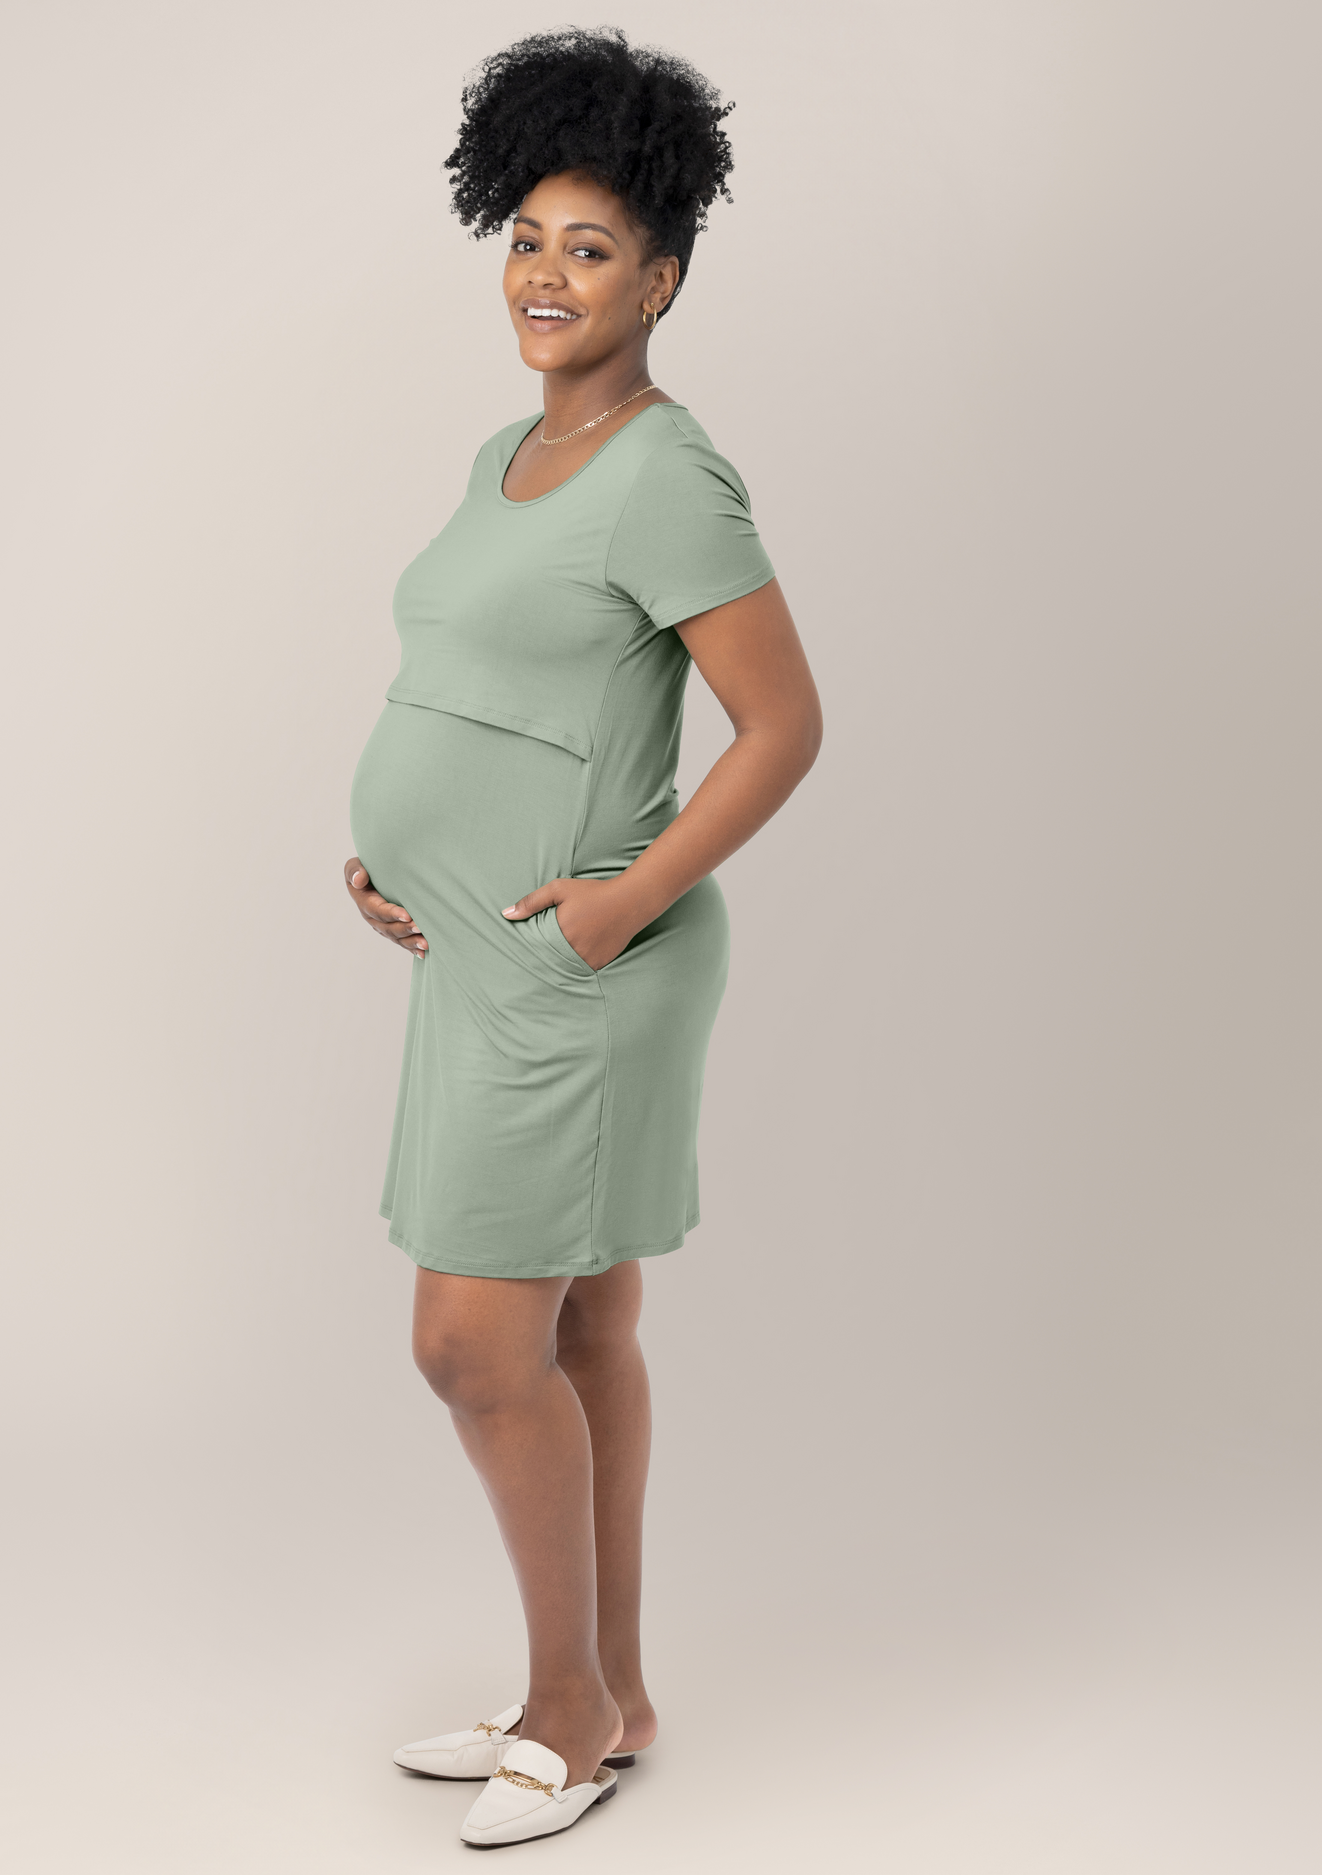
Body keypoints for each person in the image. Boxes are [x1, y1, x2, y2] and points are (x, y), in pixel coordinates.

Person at [343, 28, 822, 1849]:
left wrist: (616, 901)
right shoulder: (514, 449)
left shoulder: (667, 473)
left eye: (593, 248)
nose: (548, 275)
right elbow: (477, 691)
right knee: (584, 1328)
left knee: (475, 1345)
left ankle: (564, 1703)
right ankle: (609, 1692)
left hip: (579, 968)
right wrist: (389, 849)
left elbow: (783, 726)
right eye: (527, 239)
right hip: (479, 959)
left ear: (663, 278)